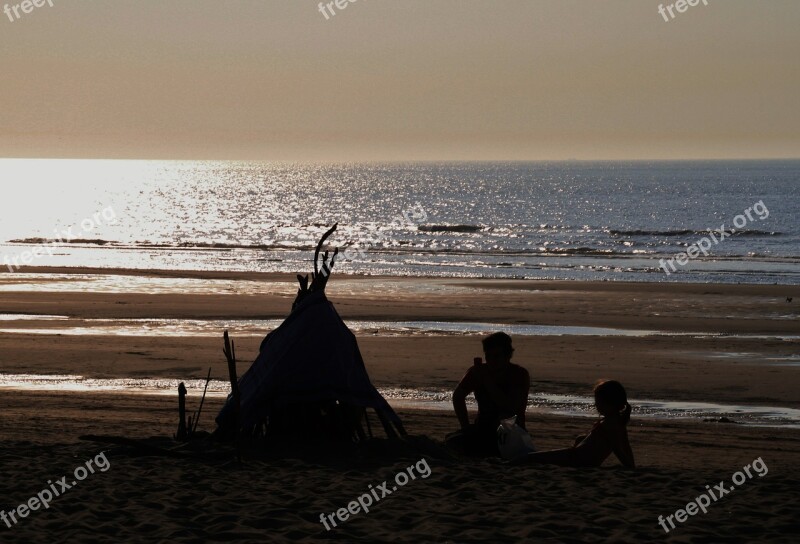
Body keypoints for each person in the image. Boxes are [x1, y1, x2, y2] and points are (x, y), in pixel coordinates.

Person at [518, 379, 635, 468]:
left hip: (576, 458)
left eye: (598, 403)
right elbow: (626, 446)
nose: (596, 406)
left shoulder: (611, 424)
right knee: (537, 458)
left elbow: (618, 449)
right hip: (577, 456)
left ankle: (510, 462)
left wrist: (629, 466)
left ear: (610, 404)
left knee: (532, 458)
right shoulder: (617, 423)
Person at [447, 332, 530, 456]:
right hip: (482, 429)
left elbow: (509, 407)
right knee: (452, 442)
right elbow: (458, 396)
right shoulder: (478, 372)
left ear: (508, 356)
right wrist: (465, 426)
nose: (491, 361)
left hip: (511, 431)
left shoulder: (519, 374)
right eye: (488, 356)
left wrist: (486, 380)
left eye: (496, 356)